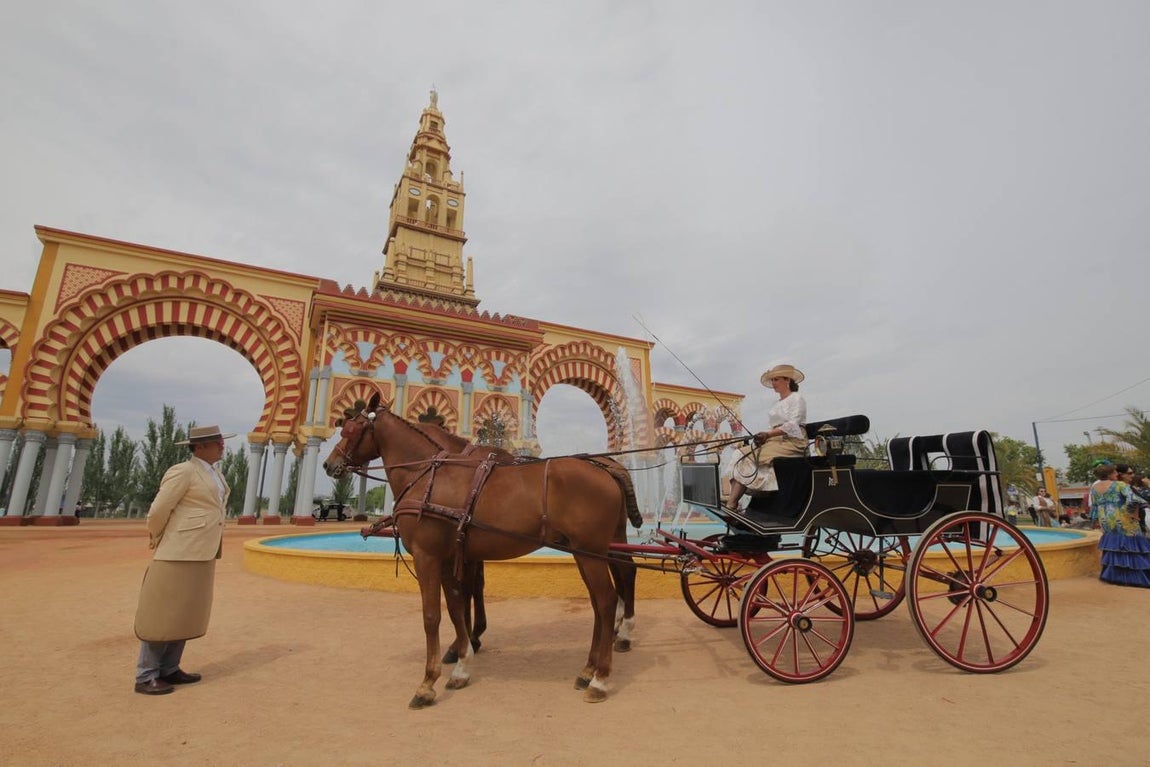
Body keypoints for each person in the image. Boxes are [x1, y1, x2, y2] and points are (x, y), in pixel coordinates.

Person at [132, 424, 235, 695]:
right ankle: (146, 675)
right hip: (178, 549)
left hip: (202, 550)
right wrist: (159, 537)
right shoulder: (184, 471)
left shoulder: (214, 474)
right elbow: (158, 511)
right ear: (200, 447)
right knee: (162, 612)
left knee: (185, 611)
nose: (222, 446)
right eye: (217, 442)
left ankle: (170, 668)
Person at [723, 364, 807, 512]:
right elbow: (772, 427)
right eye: (772, 380)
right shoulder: (777, 404)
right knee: (738, 454)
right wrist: (762, 436)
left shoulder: (797, 399)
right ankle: (734, 500)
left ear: (787, 380)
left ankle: (732, 504)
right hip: (774, 441)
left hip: (793, 442)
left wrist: (768, 434)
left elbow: (793, 425)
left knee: (750, 458)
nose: (773, 383)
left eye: (776, 379)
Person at [1089, 463, 1150, 588]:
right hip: (1122, 517)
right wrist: (1135, 511)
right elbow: (1133, 499)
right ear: (1110, 474)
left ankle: (1116, 576)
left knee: (1114, 547)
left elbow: (1094, 507)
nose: (1117, 474)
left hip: (1105, 520)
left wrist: (1095, 520)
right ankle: (1136, 578)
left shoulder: (1095, 488)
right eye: (1115, 472)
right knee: (1132, 546)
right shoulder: (1119, 485)